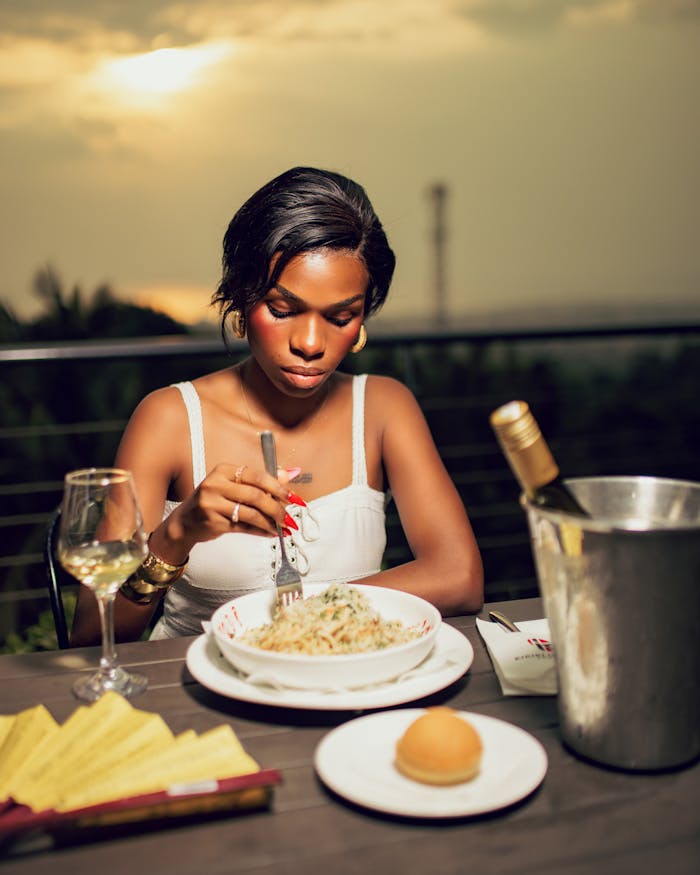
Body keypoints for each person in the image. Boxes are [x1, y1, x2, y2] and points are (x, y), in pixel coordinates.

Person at [70, 166, 483, 645]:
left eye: (341, 316)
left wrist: (301, 623)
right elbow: (90, 637)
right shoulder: (168, 419)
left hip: (345, 682)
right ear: (241, 301)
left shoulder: (384, 408)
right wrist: (175, 535)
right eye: (283, 311)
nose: (310, 343)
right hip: (196, 695)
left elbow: (460, 576)